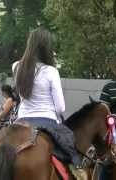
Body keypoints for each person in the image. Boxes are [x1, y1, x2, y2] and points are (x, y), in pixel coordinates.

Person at [14, 28, 84, 175]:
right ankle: (77, 171)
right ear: (46, 47)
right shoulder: (51, 71)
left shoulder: (17, 67)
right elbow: (60, 107)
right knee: (71, 151)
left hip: (20, 121)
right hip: (46, 121)